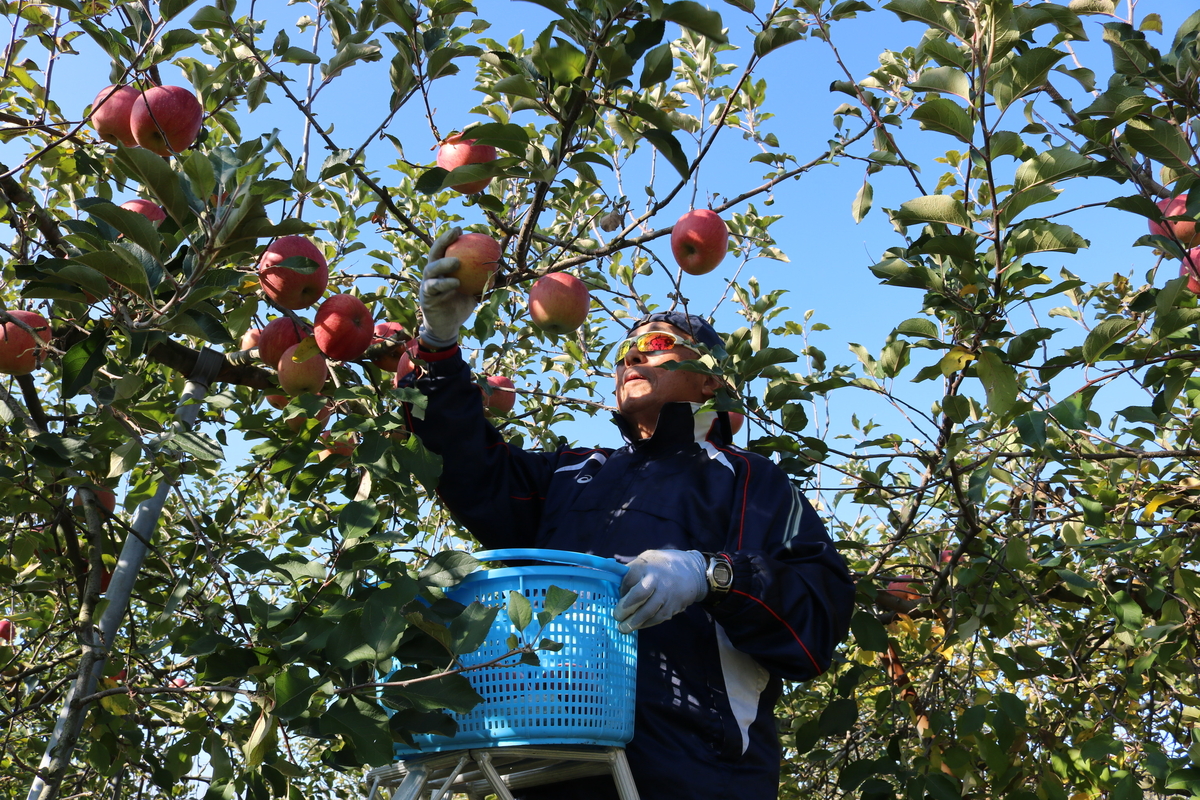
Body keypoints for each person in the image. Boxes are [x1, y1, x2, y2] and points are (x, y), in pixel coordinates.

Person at [403, 228, 855, 800]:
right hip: (553, 767)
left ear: (711, 379)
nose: (635, 355)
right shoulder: (569, 475)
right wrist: (438, 349)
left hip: (696, 777)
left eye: (660, 343)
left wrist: (712, 576)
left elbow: (818, 616)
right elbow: (462, 465)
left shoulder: (748, 482)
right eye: (624, 352)